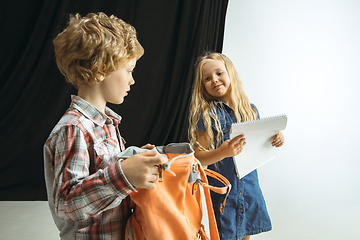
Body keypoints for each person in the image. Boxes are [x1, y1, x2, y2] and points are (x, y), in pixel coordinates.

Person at [43, 12, 168, 239]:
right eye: (129, 70)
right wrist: (123, 175)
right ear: (101, 70)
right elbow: (66, 202)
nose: (132, 80)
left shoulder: (106, 123)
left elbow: (102, 172)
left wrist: (135, 161)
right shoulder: (74, 129)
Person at [189, 52, 285, 240]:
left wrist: (276, 138)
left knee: (245, 233)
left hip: (249, 189)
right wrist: (222, 152)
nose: (214, 80)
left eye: (219, 73)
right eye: (207, 78)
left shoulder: (251, 110)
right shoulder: (209, 115)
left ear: (230, 73)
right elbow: (198, 157)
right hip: (225, 193)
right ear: (203, 86)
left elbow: (260, 144)